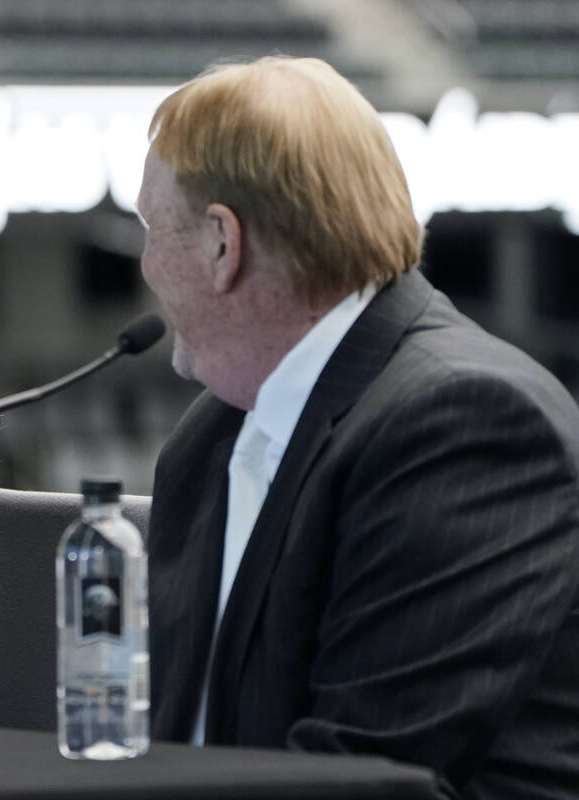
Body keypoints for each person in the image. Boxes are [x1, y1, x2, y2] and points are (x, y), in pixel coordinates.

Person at [138, 55, 579, 798]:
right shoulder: (208, 437)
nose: (147, 265)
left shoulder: (467, 423)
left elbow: (357, 777)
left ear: (222, 244)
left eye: (152, 228)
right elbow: (180, 744)